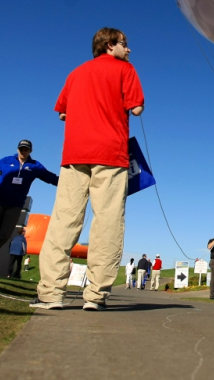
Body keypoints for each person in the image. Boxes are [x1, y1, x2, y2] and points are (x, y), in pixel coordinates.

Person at [33, 28, 144, 311]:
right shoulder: (124, 69)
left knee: (64, 220)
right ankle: (95, 296)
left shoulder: (76, 73)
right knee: (106, 221)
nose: (128, 50)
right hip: (110, 153)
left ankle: (50, 293)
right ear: (110, 45)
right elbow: (137, 109)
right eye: (125, 44)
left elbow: (62, 113)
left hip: (74, 154)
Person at [0, 140, 58, 282]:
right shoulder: (7, 160)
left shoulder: (35, 166)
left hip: (15, 205)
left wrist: (69, 183)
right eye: (21, 149)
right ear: (17, 149)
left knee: (4, 236)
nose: (23, 152)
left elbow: (51, 177)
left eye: (26, 149)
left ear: (30, 151)